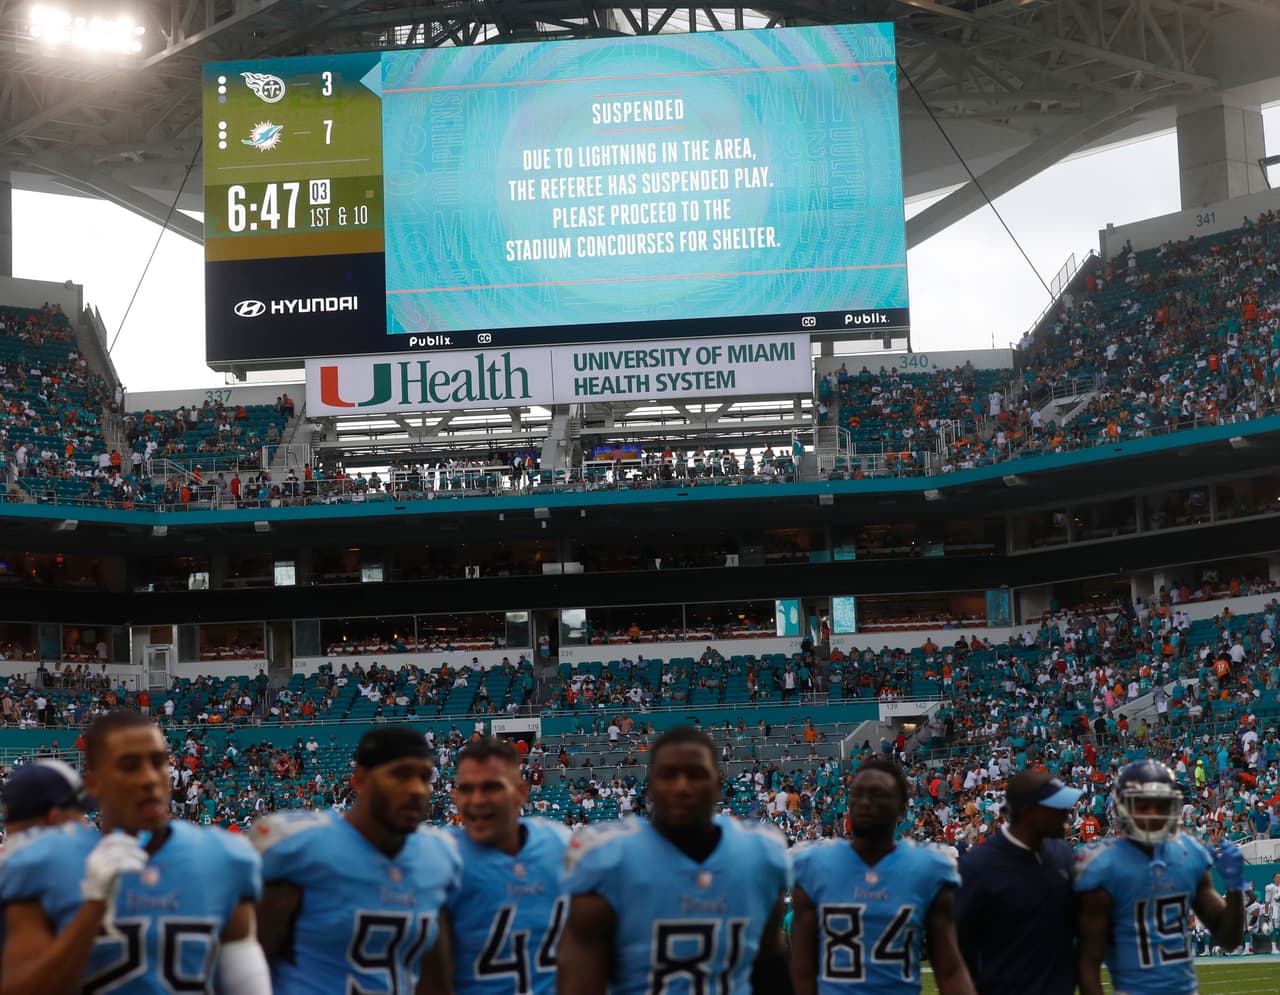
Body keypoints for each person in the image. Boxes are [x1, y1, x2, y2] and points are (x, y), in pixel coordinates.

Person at [0, 711, 268, 993]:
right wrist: (93, 908)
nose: (149, 778)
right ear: (93, 783)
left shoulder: (221, 858)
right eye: (129, 766)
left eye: (158, 762)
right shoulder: (43, 863)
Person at [558, 725, 791, 995]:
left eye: (696, 774)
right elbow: (580, 983)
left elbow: (769, 970)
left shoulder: (758, 855)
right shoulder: (607, 859)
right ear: (652, 785)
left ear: (717, 785)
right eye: (669, 775)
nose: (682, 787)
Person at [254, 725, 461, 994]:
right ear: (360, 779)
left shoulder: (438, 856)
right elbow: (244, 966)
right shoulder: (300, 849)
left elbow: (436, 981)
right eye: (400, 775)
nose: (417, 789)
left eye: (424, 777)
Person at [791, 758, 975, 995]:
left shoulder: (928, 869)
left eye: (878, 795)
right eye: (857, 794)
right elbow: (803, 969)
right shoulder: (814, 865)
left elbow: (949, 968)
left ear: (901, 808)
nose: (865, 802)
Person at [1076, 759, 1245, 995]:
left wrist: (1236, 888)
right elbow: (1088, 962)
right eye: (1143, 805)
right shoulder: (1103, 866)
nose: (1153, 814)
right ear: (1124, 808)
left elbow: (1229, 940)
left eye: (1161, 805)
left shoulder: (1189, 852)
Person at [424, 738, 568, 995]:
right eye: (466, 789)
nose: (477, 800)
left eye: (492, 787)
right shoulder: (440, 859)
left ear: (521, 792)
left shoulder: (561, 845)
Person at [956, 769, 1081, 995]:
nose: (1066, 814)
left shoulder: (1063, 854)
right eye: (1056, 807)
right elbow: (958, 953)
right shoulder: (977, 867)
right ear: (1029, 811)